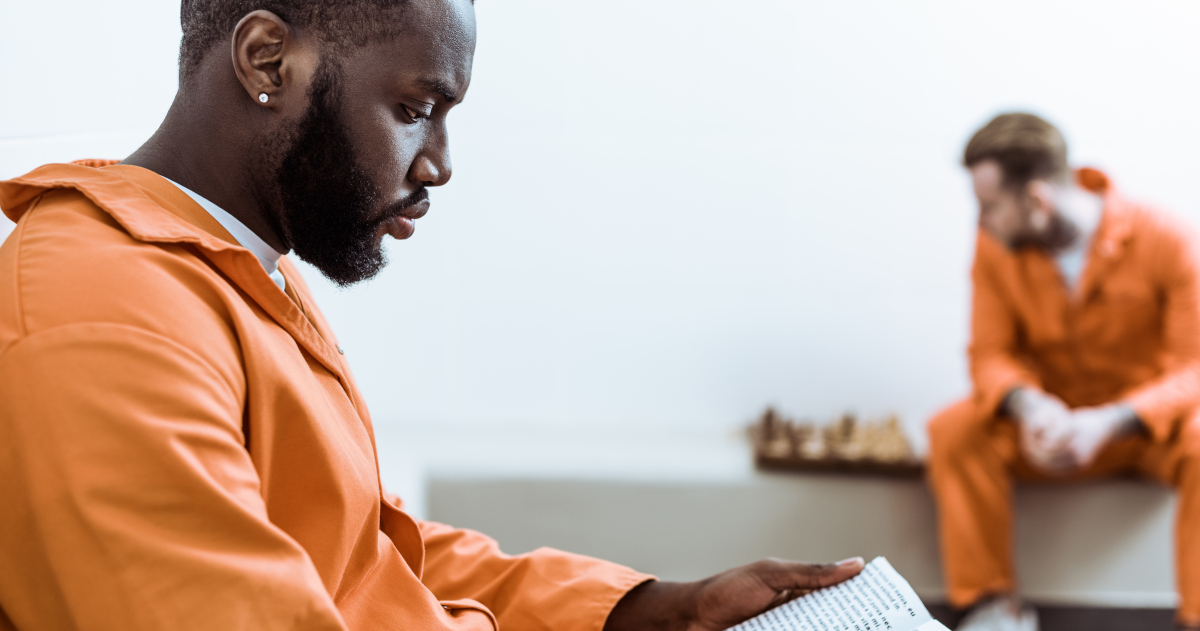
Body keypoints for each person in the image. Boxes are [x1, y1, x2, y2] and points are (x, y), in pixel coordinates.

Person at [0, 0, 865, 629]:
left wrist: (657, 611)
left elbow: (366, 546)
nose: (439, 166)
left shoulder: (235, 272)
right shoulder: (103, 304)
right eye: (415, 111)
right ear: (267, 60)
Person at [926, 112, 1200, 631]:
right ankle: (989, 608)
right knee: (954, 430)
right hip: (1047, 431)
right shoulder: (994, 248)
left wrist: (1108, 422)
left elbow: (1195, 369)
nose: (980, 221)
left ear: (1037, 198)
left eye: (989, 207)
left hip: (1143, 432)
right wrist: (1031, 406)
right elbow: (988, 354)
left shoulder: (1169, 240)